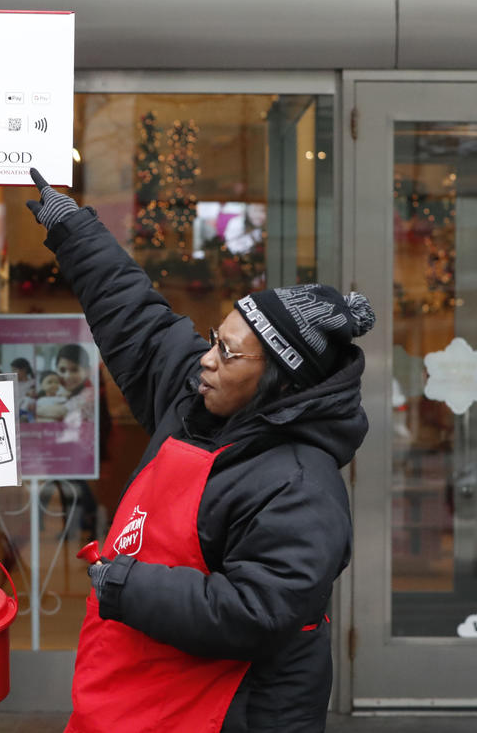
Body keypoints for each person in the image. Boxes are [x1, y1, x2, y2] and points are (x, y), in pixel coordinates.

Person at [26, 169, 374, 733]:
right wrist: (71, 227)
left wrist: (128, 585)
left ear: (280, 383)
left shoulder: (302, 485)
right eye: (215, 339)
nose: (207, 360)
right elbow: (137, 319)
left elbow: (257, 612)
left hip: (232, 714)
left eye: (230, 354)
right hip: (139, 701)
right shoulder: (197, 398)